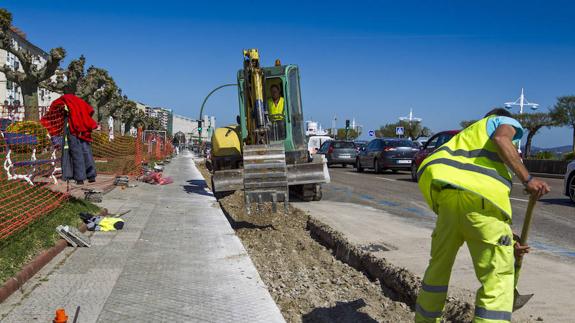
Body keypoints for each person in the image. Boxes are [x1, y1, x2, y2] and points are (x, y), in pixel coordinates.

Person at [415, 108, 550, 322]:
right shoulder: (502, 122)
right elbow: (501, 139)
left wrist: (508, 238)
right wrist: (528, 179)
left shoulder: (468, 135)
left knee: (437, 271)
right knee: (497, 280)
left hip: (448, 203)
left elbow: (470, 199)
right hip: (481, 206)